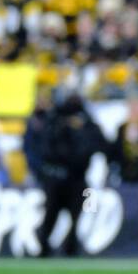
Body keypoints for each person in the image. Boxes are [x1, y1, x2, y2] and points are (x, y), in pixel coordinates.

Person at [34, 92, 107, 258]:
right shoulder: (57, 121)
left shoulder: (85, 123)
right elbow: (46, 148)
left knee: (76, 215)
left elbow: (99, 144)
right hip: (57, 176)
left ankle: (70, 247)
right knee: (51, 214)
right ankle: (44, 247)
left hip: (76, 177)